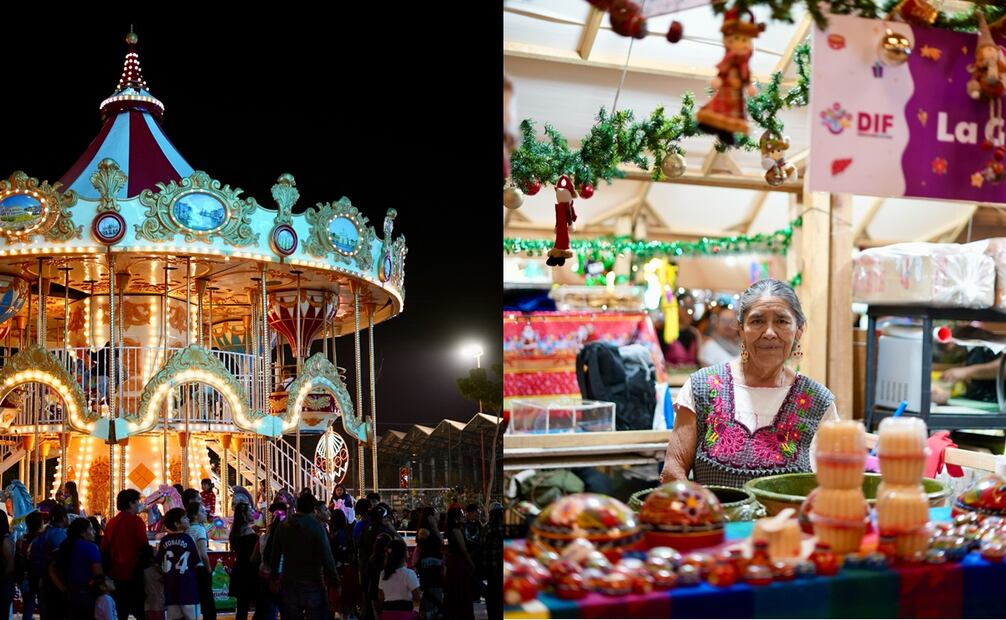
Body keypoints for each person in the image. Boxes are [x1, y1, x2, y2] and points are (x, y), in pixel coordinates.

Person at [661, 278, 838, 488]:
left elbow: (832, 486)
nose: (769, 333)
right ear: (741, 329)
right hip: (716, 520)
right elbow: (673, 472)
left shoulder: (818, 402)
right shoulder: (702, 388)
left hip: (786, 521)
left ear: (798, 330)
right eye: (757, 321)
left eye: (782, 321)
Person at [268, 492, 339, 620]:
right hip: (313, 581)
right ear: (314, 509)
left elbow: (275, 554)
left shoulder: (283, 524)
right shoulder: (316, 526)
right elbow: (326, 556)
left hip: (289, 581)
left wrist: (274, 577)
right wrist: (335, 581)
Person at [102, 489, 148, 620]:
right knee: (139, 609)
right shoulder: (136, 521)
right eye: (137, 502)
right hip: (133, 570)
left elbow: (104, 547)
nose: (139, 504)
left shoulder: (112, 522)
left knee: (120, 610)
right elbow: (143, 545)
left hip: (115, 572)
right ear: (131, 503)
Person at [49, 517, 103, 620]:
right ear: (83, 533)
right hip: (86, 594)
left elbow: (52, 569)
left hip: (69, 594)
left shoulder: (65, 546)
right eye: (91, 529)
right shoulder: (92, 548)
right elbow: (98, 575)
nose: (94, 532)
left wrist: (63, 588)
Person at [156, 508, 200, 620]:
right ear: (177, 524)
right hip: (187, 584)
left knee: (173, 616)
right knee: (191, 616)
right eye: (184, 518)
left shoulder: (164, 540)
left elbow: (158, 561)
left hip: (170, 585)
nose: (188, 519)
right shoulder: (188, 539)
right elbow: (196, 561)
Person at [32, 503, 68, 620]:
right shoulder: (60, 535)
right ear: (63, 518)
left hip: (42, 582)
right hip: (55, 583)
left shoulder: (41, 536)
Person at [442, 508, 475, 620]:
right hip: (460, 564)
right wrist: (471, 564)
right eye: (461, 514)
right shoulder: (456, 531)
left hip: (451, 563)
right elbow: (463, 549)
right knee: (462, 591)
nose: (463, 516)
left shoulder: (447, 531)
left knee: (452, 591)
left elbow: (445, 546)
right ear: (456, 518)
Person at [185, 502, 215, 620]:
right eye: (202, 511)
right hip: (200, 567)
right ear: (195, 515)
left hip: (189, 567)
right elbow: (203, 553)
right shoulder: (200, 529)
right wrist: (208, 569)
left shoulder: (187, 530)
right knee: (207, 601)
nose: (205, 513)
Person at [377, 538, 420, 620]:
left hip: (387, 614)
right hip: (405, 615)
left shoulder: (383, 573)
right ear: (403, 554)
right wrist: (415, 612)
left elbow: (380, 596)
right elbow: (417, 596)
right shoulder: (409, 573)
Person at [228, 503, 258, 620]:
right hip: (250, 570)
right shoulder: (249, 533)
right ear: (244, 514)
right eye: (250, 511)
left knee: (242, 606)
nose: (252, 513)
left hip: (239, 569)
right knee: (260, 603)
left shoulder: (235, 531)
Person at [329, 508, 359, 620]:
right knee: (348, 595)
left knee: (340, 595)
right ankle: (348, 614)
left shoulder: (335, 535)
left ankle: (344, 614)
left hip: (338, 567)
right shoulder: (348, 532)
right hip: (349, 567)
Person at [415, 509, 444, 620]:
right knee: (431, 592)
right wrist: (434, 526)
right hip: (428, 567)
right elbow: (440, 541)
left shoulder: (432, 529)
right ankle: (429, 614)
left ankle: (434, 613)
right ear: (429, 517)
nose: (438, 517)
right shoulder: (424, 531)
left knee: (436, 591)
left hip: (434, 566)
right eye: (435, 514)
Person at [17, 511, 43, 620]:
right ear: (40, 523)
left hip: (25, 576)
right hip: (40, 577)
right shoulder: (43, 539)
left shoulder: (21, 540)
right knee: (44, 608)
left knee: (28, 607)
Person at [665, 294, 702, 366]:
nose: (689, 312)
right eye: (686, 308)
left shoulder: (695, 333)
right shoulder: (665, 332)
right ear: (676, 309)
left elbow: (698, 360)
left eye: (692, 309)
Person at [482, 503, 503, 620]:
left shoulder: (486, 527)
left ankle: (492, 616)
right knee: (500, 596)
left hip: (489, 568)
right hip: (500, 567)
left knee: (491, 595)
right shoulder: (501, 526)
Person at [364, 534, 391, 620]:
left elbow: (368, 575)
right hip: (385, 590)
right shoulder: (388, 560)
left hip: (373, 590)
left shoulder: (372, 559)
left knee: (377, 615)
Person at [463, 504, 483, 603]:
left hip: (477, 555)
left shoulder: (478, 524)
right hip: (467, 555)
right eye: (476, 512)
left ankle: (476, 595)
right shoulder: (463, 524)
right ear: (470, 513)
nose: (478, 514)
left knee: (477, 574)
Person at [139, 544, 164, 620]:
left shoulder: (140, 569)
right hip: (158, 604)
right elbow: (165, 581)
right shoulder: (155, 569)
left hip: (147, 604)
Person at [0, 512, 13, 620]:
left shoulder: (5, 540)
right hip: (4, 583)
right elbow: (9, 564)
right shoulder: (5, 540)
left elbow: (9, 564)